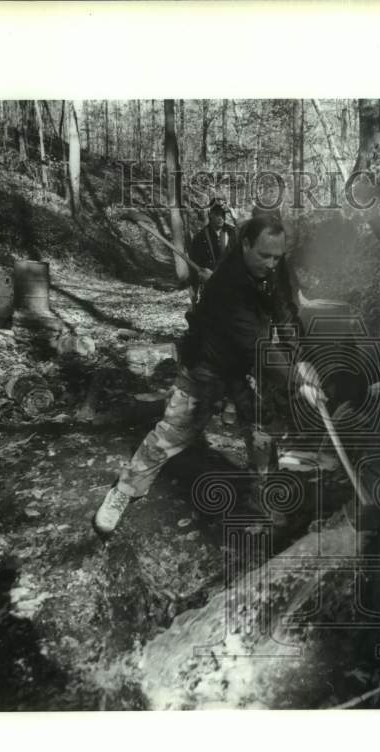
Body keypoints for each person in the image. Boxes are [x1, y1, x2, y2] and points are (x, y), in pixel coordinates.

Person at [94, 213, 324, 537]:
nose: (273, 263)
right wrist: (298, 381)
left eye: (277, 256)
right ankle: (125, 489)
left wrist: (300, 359)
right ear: (245, 245)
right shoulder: (227, 285)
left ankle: (264, 500)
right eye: (265, 256)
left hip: (246, 367)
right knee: (174, 431)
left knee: (261, 432)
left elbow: (285, 313)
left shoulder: (275, 266)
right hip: (207, 364)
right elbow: (256, 345)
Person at [187, 202, 236, 299]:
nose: (220, 217)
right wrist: (193, 288)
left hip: (231, 284)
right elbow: (194, 264)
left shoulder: (232, 232)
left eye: (222, 214)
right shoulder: (200, 237)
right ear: (210, 215)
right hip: (210, 285)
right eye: (217, 214)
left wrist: (235, 217)